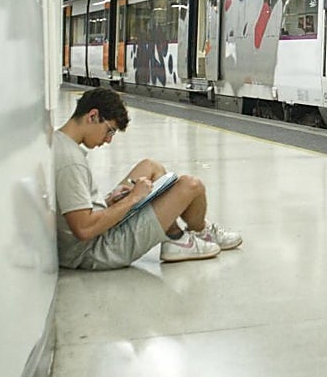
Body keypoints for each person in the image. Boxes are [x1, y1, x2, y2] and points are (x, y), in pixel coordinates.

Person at [55, 87, 242, 270]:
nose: (108, 140)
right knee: (191, 186)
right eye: (109, 131)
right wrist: (133, 198)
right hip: (98, 249)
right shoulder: (71, 163)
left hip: (95, 236)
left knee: (150, 166)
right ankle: (190, 235)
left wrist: (109, 201)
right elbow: (84, 230)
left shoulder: (60, 141)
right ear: (93, 116)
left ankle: (175, 236)